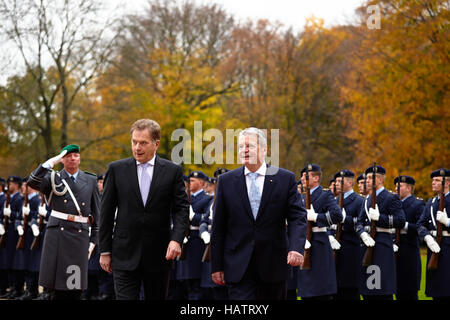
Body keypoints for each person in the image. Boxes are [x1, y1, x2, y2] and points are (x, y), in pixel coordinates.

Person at [210, 127, 307, 300]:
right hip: (238, 266)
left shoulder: (285, 179)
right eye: (240, 146)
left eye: (249, 146)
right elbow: (218, 226)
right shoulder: (226, 181)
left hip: (273, 265)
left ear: (264, 149)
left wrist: (296, 248)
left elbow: (297, 218)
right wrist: (216, 266)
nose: (244, 150)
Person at [99, 118, 189, 300]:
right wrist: (104, 251)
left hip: (159, 254)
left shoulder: (173, 171)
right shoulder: (116, 169)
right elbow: (106, 213)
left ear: (156, 144)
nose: (137, 147)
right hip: (124, 254)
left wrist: (177, 239)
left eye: (143, 143)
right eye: (134, 142)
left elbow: (181, 209)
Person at [27, 144, 100, 300]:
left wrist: (94, 240)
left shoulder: (91, 179)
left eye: (75, 156)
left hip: (79, 235)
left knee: (75, 284)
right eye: (68, 156)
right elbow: (32, 182)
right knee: (56, 287)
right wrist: (49, 163)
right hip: (57, 235)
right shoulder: (53, 178)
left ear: (80, 159)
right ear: (62, 160)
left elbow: (97, 213)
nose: (72, 159)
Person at [355, 164, 405, 300]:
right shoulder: (366, 199)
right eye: (368, 178)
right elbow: (359, 222)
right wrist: (363, 234)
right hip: (366, 245)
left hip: (382, 245)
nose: (368, 180)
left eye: (372, 177)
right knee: (367, 289)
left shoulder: (391, 197)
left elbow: (400, 220)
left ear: (381, 179)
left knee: (381, 289)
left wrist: (380, 218)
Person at [296, 164, 342, 300]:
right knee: (306, 291)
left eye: (306, 177)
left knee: (320, 290)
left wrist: (316, 217)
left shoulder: (325, 195)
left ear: (316, 178)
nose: (302, 179)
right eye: (302, 177)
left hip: (319, 244)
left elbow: (337, 216)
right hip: (304, 243)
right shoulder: (302, 198)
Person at [175, 170, 212, 300]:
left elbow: (206, 219)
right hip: (185, 243)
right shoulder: (183, 198)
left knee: (197, 284)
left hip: (197, 243)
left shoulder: (207, 199)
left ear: (201, 183)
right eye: (189, 181)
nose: (189, 183)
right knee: (185, 285)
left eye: (193, 181)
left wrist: (193, 216)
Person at [417, 168, 450, 300]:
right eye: (433, 180)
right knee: (436, 290)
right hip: (433, 247)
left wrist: (448, 222)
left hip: (448, 248)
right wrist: (427, 237)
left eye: (437, 180)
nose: (433, 183)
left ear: (447, 183)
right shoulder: (431, 202)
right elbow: (420, 224)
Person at [333, 170, 365, 300]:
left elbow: (362, 222)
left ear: (351, 182)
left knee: (350, 289)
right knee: (335, 289)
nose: (337, 184)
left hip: (351, 248)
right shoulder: (334, 200)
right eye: (336, 181)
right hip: (335, 247)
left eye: (341, 181)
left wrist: (346, 220)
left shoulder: (359, 200)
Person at [393, 175, 425, 300]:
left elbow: (420, 227)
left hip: (409, 250)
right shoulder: (394, 204)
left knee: (409, 291)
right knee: (397, 290)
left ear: (409, 188)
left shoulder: (417, 204)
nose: (396, 189)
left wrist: (404, 225)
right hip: (395, 249)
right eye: (395, 186)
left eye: (399, 186)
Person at [0, 176, 25, 299]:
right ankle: (11, 288)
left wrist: (11, 214)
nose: (8, 186)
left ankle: (16, 288)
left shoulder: (19, 199)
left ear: (16, 185)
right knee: (6, 261)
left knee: (14, 261)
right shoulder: (8, 198)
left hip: (14, 234)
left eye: (11, 183)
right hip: (7, 232)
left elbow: (20, 215)